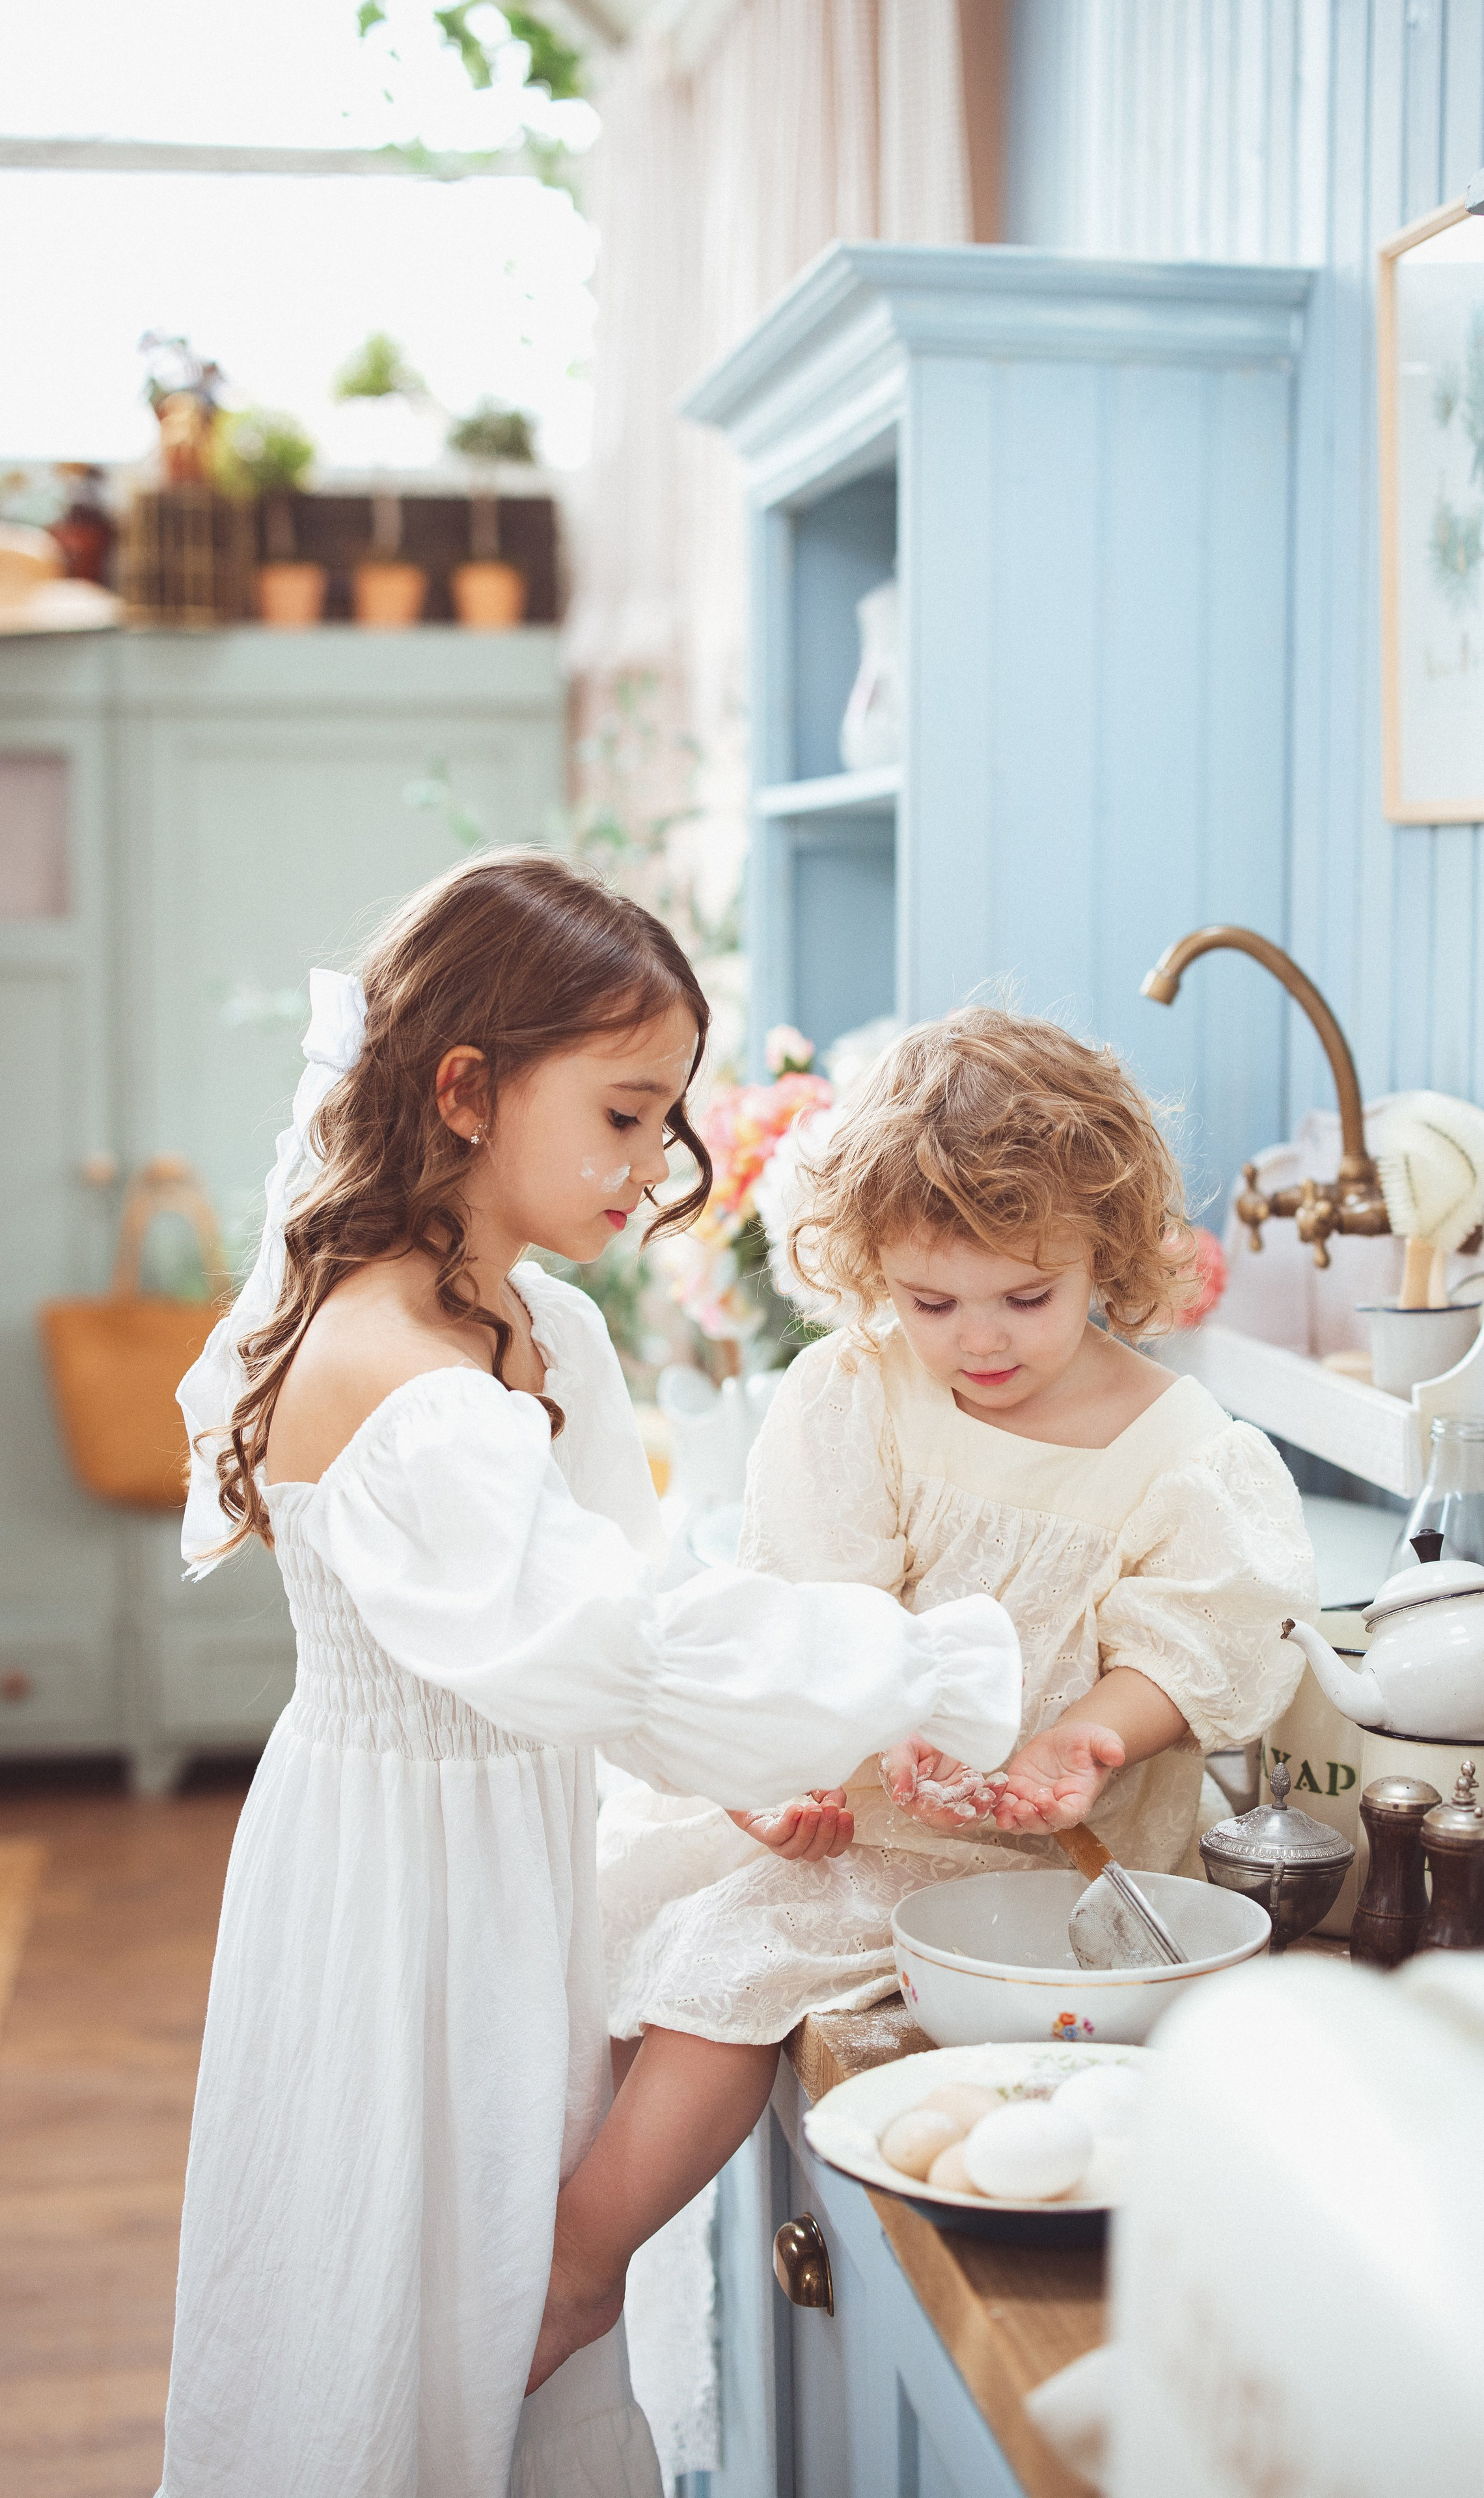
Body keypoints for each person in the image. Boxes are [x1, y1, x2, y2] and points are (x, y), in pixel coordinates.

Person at [160, 855, 1021, 2498]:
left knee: (503, 2328)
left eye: (668, 1118)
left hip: (511, 1869)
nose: (653, 1165)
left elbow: (609, 1621)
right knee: (390, 2326)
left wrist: (725, 1765)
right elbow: (620, 1649)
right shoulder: (398, 1370)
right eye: (622, 1113)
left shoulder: (541, 1327)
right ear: (466, 1088)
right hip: (396, 1898)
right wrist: (922, 1668)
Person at [601, 1006, 1319, 2055]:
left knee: (717, 1980)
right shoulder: (862, 1392)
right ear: (872, 1266)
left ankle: (586, 2228)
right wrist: (852, 1738)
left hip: (1060, 1863)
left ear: (1105, 1252)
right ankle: (581, 2229)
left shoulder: (1178, 1450)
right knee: (668, 1966)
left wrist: (1095, 1733)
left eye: (1027, 1296)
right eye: (930, 1302)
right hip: (864, 1831)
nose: (978, 1339)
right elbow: (818, 1601)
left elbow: (1198, 1637)